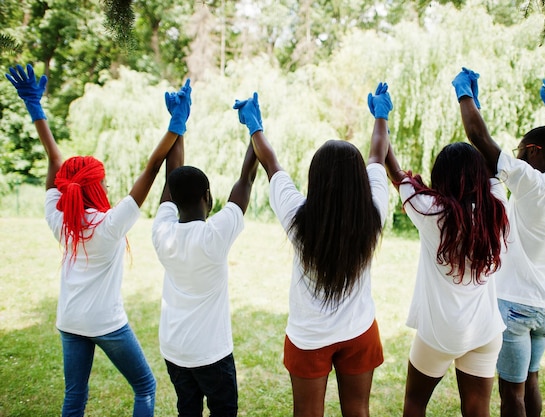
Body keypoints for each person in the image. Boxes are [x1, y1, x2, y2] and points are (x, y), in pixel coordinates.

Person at [5, 63, 191, 417]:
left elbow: (56, 161)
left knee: (74, 396)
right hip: (106, 323)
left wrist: (35, 107)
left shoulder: (60, 219)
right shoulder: (109, 224)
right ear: (94, 187)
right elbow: (153, 168)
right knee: (145, 386)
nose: (107, 186)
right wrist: (176, 126)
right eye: (103, 182)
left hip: (70, 320)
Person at [232, 84, 392, 417]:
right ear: (359, 180)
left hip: (309, 337)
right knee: (359, 411)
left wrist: (254, 126)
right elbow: (378, 154)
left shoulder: (296, 217)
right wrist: (380, 116)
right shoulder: (374, 212)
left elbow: (271, 163)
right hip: (359, 331)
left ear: (315, 178)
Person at [452, 67, 545, 417]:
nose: (519, 156)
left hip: (516, 307)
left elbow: (479, 139)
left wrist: (465, 96)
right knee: (531, 383)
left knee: (511, 396)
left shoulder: (532, 183)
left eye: (521, 151)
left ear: (533, 151)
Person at [385, 117, 509, 415]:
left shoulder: (429, 211)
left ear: (440, 177)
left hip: (440, 333)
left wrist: (383, 128)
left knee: (415, 403)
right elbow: (495, 165)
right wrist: (472, 108)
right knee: (477, 410)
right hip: (485, 330)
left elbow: (398, 175)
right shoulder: (497, 206)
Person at [151, 106, 259, 417]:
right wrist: (254, 131)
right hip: (211, 353)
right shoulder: (215, 236)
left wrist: (178, 126)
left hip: (174, 349)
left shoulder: (161, 233)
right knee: (224, 410)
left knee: (187, 409)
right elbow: (245, 183)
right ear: (207, 196)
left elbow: (172, 178)